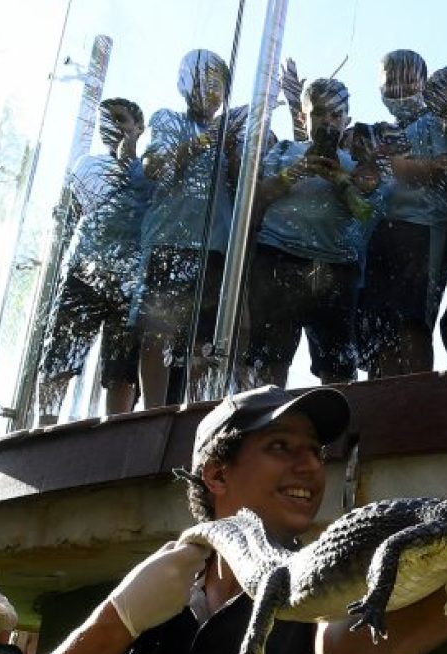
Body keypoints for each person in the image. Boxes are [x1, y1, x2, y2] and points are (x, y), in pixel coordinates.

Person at [2, 384, 447, 654]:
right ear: (217, 474)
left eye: (314, 451)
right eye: (281, 447)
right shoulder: (151, 598)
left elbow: (342, 650)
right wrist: (114, 621)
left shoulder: (317, 576)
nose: (308, 466)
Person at [243, 78, 379, 388]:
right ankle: (267, 418)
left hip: (336, 267)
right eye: (319, 113)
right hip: (278, 259)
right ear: (303, 117)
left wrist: (340, 181)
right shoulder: (284, 150)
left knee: (338, 361)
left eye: (336, 115)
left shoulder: (355, 164)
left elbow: (367, 214)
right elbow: (258, 197)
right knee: (270, 354)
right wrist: (295, 172)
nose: (328, 121)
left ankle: (336, 428)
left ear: (347, 120)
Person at [138, 49, 245, 407]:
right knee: (158, 333)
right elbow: (156, 169)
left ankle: (197, 413)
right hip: (170, 240)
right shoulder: (167, 119)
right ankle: (154, 414)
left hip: (216, 248)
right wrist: (206, 139)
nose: (210, 91)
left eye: (218, 85)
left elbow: (245, 191)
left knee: (205, 340)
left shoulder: (230, 133)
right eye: (202, 81)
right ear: (185, 84)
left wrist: (231, 150)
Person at [37, 98, 149, 424]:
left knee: (122, 367)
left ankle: (114, 433)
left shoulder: (148, 171)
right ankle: (45, 426)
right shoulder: (87, 165)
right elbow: (70, 215)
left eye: (120, 119)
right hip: (84, 274)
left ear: (138, 127)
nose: (112, 126)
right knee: (60, 352)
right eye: (106, 121)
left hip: (129, 283)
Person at [358, 50, 447, 378]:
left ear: (424, 84)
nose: (399, 89)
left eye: (408, 80)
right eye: (391, 81)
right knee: (381, 321)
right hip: (384, 232)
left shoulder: (434, 122)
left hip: (424, 230)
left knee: (413, 321)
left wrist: (393, 165)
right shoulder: (380, 131)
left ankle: (415, 394)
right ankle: (381, 394)